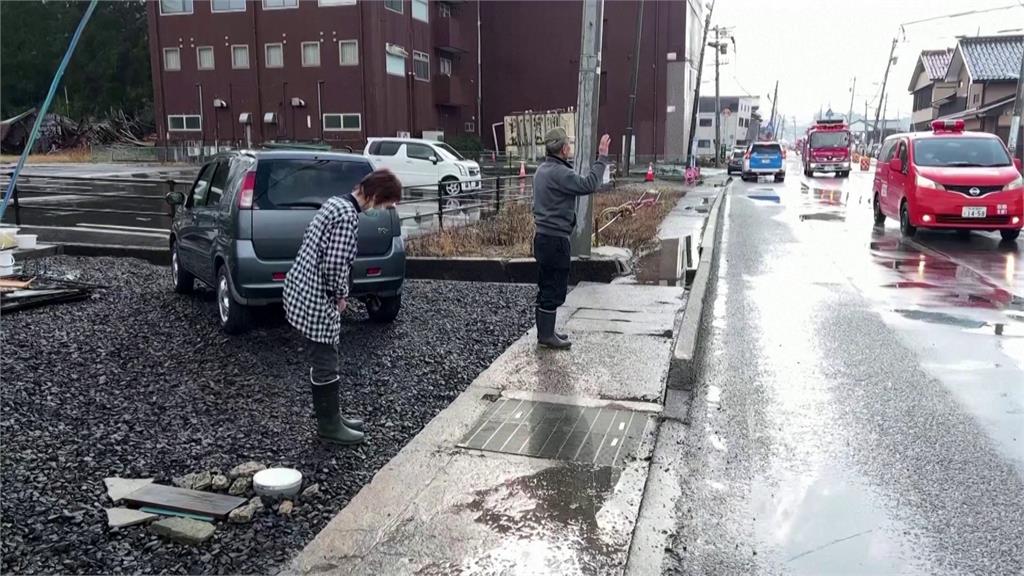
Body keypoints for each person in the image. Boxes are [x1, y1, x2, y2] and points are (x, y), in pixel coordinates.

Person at [283, 169, 402, 445]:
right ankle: (329, 426)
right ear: (373, 196)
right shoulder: (347, 216)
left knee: (324, 356)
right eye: (384, 204)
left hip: (301, 285)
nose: (381, 210)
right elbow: (336, 264)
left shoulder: (334, 203)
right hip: (316, 295)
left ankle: (333, 416)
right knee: (326, 359)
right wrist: (340, 295)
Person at [531, 128, 611, 349]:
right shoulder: (560, 173)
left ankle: (545, 332)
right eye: (568, 145)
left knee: (545, 284)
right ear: (564, 148)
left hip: (542, 238)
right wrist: (602, 158)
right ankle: (546, 336)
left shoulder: (541, 171)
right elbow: (589, 185)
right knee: (554, 287)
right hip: (556, 240)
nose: (569, 149)